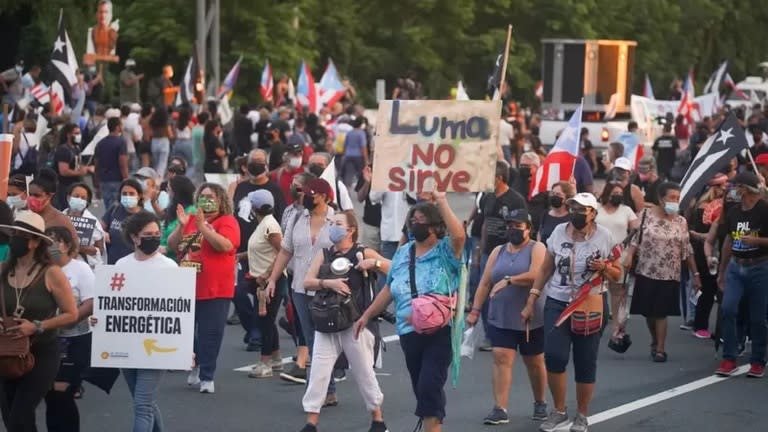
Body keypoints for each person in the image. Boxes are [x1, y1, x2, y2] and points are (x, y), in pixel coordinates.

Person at [354, 194, 466, 432]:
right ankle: (432, 424)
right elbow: (390, 287)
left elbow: (459, 236)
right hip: (409, 330)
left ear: (435, 226)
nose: (415, 223)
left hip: (440, 330)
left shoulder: (446, 251)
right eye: (412, 220)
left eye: (422, 220)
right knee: (421, 388)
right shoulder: (404, 252)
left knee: (429, 385)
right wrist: (367, 315)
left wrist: (442, 201)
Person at [524, 193, 621, 432]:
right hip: (557, 302)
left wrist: (605, 267)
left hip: (590, 303)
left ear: (593, 214)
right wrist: (532, 298)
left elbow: (618, 273)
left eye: (582, 209)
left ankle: (582, 414)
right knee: (555, 357)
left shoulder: (605, 236)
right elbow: (546, 267)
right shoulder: (558, 232)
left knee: (585, 360)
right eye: (573, 207)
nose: (576, 212)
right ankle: (559, 411)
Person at [299, 210, 391, 432]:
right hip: (327, 321)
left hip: (355, 322)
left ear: (351, 230)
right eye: (331, 223)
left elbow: (393, 267)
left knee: (364, 373)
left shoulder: (362, 252)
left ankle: (378, 421)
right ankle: (311, 423)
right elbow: (307, 281)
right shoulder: (325, 254)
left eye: (338, 223)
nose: (332, 226)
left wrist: (373, 264)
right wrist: (328, 284)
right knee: (318, 372)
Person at [92, 211, 177, 431]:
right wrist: (99, 319)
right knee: (144, 402)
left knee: (142, 405)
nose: (154, 238)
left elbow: (180, 312)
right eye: (148, 234)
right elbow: (113, 304)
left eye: (157, 233)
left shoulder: (169, 267)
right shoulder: (121, 265)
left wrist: (186, 347)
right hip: (127, 346)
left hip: (155, 347)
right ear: (134, 237)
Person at [468, 208, 548, 425]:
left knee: (534, 361)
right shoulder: (498, 251)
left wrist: (509, 280)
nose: (513, 229)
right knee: (501, 357)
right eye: (510, 225)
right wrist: (475, 310)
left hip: (529, 317)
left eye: (518, 226)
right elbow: (485, 282)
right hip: (500, 316)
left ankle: (540, 402)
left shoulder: (537, 248)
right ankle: (500, 408)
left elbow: (536, 274)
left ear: (528, 229)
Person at [0, 211, 77, 432]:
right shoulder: (4, 270)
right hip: (7, 352)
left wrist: (38, 326)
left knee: (19, 417)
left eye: (20, 235)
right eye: (13, 233)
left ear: (34, 242)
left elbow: (71, 313)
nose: (14, 239)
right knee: (13, 420)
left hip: (41, 353)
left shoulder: (52, 273)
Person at [167, 183, 239, 394]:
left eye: (211, 197)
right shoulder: (190, 220)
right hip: (188, 286)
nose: (205, 200)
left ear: (220, 201)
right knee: (187, 332)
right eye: (202, 196)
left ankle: (207, 375)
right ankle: (195, 362)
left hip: (216, 289)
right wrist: (181, 226)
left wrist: (203, 228)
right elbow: (173, 245)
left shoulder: (227, 221)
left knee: (210, 333)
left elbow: (225, 246)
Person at [267, 179, 335, 388]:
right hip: (299, 287)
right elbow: (286, 250)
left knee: (327, 339)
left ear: (323, 197)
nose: (303, 197)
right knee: (311, 338)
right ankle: (320, 388)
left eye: (309, 194)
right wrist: (272, 279)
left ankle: (325, 385)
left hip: (327, 288)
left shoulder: (337, 220)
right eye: (303, 193)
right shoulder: (298, 217)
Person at [625, 182, 699, 363]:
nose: (675, 201)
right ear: (660, 198)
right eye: (672, 198)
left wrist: (695, 274)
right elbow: (635, 239)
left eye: (678, 198)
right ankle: (654, 340)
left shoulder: (681, 221)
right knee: (648, 312)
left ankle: (660, 349)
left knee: (661, 312)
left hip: (669, 273)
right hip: (646, 269)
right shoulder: (645, 216)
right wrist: (629, 256)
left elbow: (687, 249)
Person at [43, 226, 97, 432]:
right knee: (50, 396)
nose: (51, 246)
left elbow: (90, 302)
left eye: (55, 241)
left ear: (66, 245)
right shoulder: (42, 269)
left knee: (63, 393)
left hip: (75, 340)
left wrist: (68, 319)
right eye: (46, 241)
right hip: (47, 341)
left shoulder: (80, 269)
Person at [716, 171, 768, 378]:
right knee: (728, 309)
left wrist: (756, 241)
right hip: (736, 268)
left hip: (760, 267)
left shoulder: (764, 210)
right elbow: (729, 241)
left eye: (736, 187)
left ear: (745, 189)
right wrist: (722, 271)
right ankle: (729, 358)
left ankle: (757, 361)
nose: (733, 191)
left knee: (758, 317)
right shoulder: (734, 212)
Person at [232, 150, 286, 349]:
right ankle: (252, 328)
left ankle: (257, 335)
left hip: (263, 252)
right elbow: (232, 211)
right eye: (252, 162)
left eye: (259, 162)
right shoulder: (240, 187)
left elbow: (279, 220)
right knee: (236, 292)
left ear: (266, 164)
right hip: (240, 250)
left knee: (260, 295)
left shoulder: (275, 190)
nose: (255, 165)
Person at [243, 191, 285, 378]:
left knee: (266, 321)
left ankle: (265, 362)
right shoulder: (264, 224)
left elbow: (282, 252)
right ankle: (276, 358)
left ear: (254, 208)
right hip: (261, 279)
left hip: (269, 281)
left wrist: (268, 275)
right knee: (266, 320)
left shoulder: (269, 226)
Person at [595, 182, 639, 342]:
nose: (618, 195)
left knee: (618, 293)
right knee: (596, 291)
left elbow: (636, 230)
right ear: (607, 193)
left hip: (619, 256)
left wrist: (630, 255)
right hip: (597, 255)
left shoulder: (626, 210)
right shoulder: (596, 208)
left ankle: (616, 328)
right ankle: (595, 324)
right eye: (615, 192)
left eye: (620, 192)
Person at [686, 173, 727, 339]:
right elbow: (703, 235)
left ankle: (719, 330)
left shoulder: (722, 207)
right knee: (708, 289)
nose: (724, 189)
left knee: (719, 291)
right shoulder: (703, 207)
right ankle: (700, 324)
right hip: (705, 252)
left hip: (717, 250)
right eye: (721, 186)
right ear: (714, 188)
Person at [27, 169, 79, 246]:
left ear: (49, 196)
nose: (31, 198)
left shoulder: (61, 220)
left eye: (37, 195)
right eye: (30, 194)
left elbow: (75, 247)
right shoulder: (24, 215)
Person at [64, 183, 106, 268]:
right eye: (76, 196)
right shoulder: (60, 218)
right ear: (68, 197)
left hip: (85, 267)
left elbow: (100, 250)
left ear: (87, 202)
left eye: (83, 198)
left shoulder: (93, 222)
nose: (79, 199)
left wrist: (82, 248)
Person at [102, 178, 145, 264]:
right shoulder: (114, 209)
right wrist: (103, 233)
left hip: (134, 264)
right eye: (124, 194)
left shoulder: (145, 217)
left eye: (131, 194)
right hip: (112, 262)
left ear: (139, 196)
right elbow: (100, 227)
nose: (128, 196)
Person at [93, 117, 129, 210]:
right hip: (116, 179)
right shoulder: (121, 142)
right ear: (117, 127)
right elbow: (122, 163)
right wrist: (126, 178)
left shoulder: (100, 143)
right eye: (121, 125)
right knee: (116, 208)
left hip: (103, 180)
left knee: (107, 207)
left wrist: (96, 183)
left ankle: (107, 223)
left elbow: (96, 164)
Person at [53, 124, 92, 210]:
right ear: (68, 135)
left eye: (79, 133)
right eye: (76, 133)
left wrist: (86, 168)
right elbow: (63, 171)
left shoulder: (76, 148)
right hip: (64, 186)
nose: (79, 136)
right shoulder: (63, 150)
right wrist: (79, 172)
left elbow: (76, 164)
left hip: (75, 184)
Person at [160, 175, 196, 261]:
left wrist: (167, 249)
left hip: (178, 261)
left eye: (169, 189)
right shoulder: (174, 209)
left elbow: (190, 239)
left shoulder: (191, 212)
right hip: (163, 258)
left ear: (176, 192)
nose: (167, 192)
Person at [341, 116, 369, 188]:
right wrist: (366, 160)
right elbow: (363, 147)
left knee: (348, 174)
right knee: (360, 174)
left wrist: (344, 155)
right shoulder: (361, 133)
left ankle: (346, 188)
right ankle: (360, 188)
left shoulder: (349, 133)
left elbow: (345, 145)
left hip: (348, 155)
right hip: (358, 156)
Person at [149, 106, 174, 178]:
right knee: (162, 164)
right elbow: (170, 133)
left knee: (156, 163)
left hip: (154, 141)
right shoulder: (166, 121)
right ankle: (159, 181)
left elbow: (150, 133)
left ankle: (154, 178)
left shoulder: (153, 121)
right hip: (164, 141)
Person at [172, 107, 194, 176]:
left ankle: (177, 177)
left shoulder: (176, 123)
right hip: (187, 143)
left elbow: (174, 134)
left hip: (178, 143)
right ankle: (186, 178)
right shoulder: (189, 123)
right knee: (191, 164)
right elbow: (193, 132)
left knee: (178, 163)